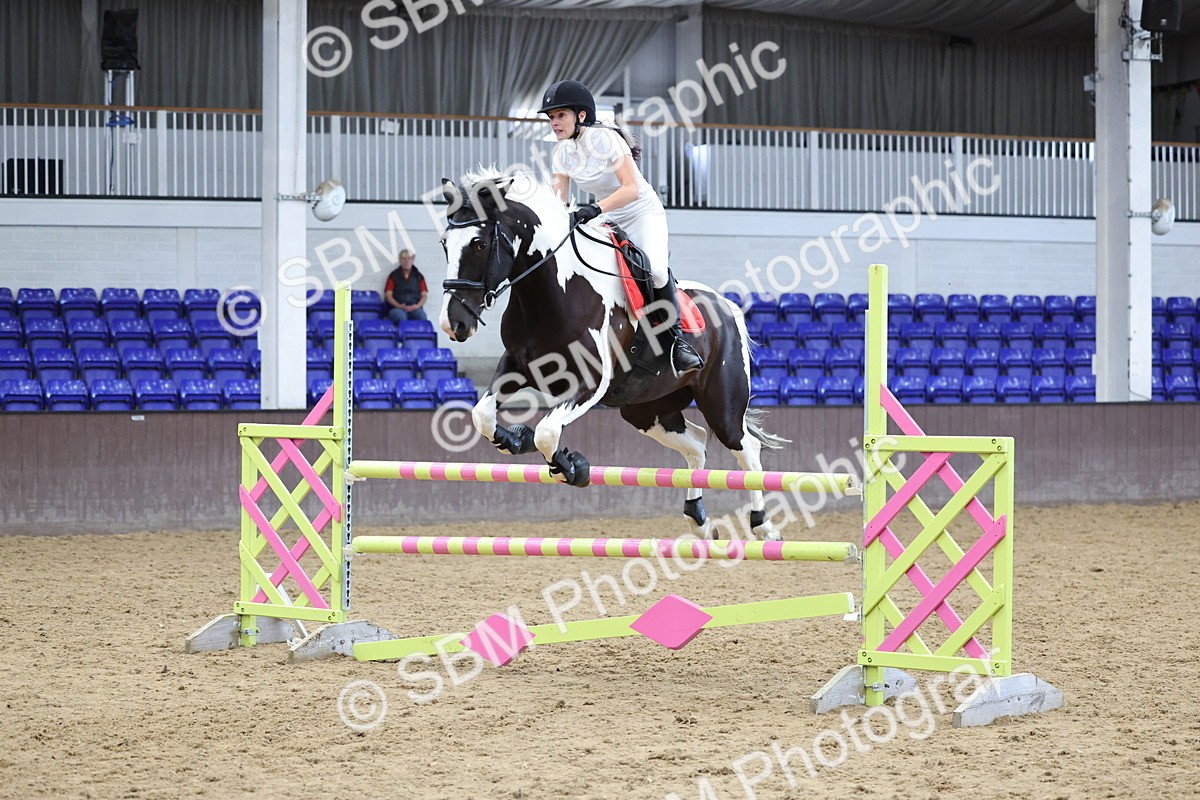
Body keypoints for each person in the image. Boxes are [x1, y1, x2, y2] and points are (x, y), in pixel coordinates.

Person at [540, 80, 703, 376]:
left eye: (560, 115)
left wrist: (593, 209)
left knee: (654, 270)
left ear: (580, 115)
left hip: (640, 212)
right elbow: (558, 204)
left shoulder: (605, 139)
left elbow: (631, 190)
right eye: (551, 117)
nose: (554, 122)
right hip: (606, 217)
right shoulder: (561, 154)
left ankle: (676, 343)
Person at [384, 249, 428, 322]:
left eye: (409, 259)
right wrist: (399, 306)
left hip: (415, 308)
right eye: (404, 259)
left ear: (412, 260)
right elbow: (388, 295)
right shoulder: (393, 276)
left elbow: (424, 295)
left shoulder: (419, 276)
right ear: (400, 260)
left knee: (422, 316)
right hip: (397, 308)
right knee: (401, 317)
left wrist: (417, 306)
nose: (407, 261)